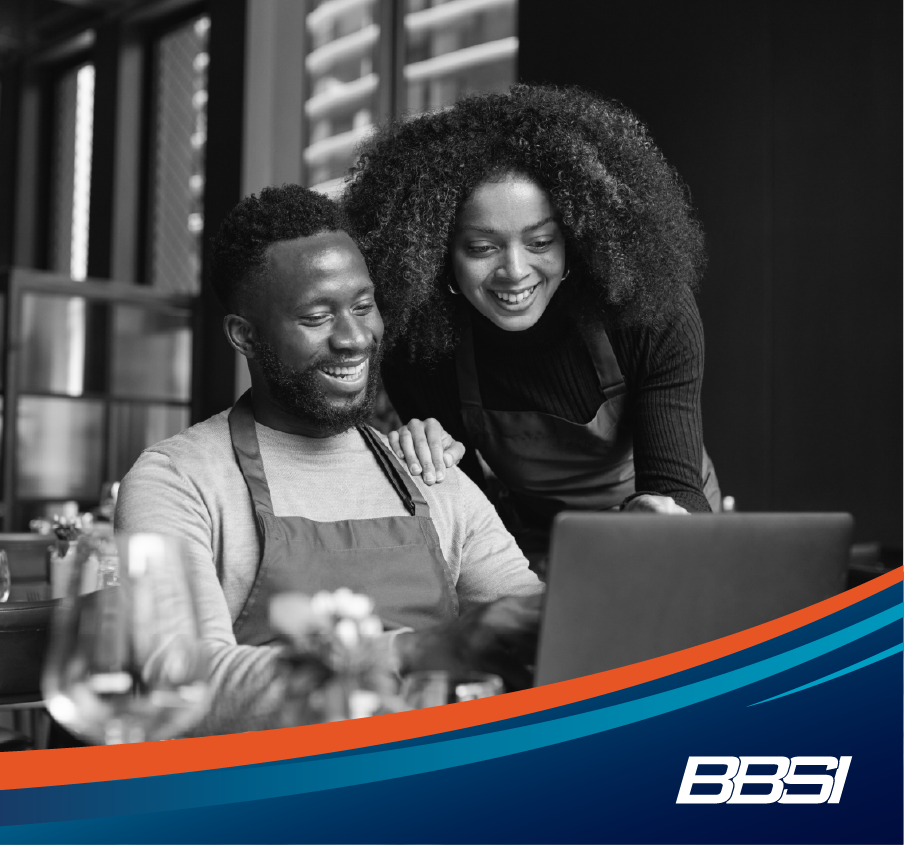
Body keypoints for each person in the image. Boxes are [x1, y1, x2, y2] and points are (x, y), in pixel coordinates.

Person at [115, 185, 542, 736]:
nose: (355, 338)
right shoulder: (176, 482)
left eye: (364, 307)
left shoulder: (430, 471)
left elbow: (535, 634)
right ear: (244, 336)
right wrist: (422, 654)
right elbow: (181, 681)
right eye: (317, 317)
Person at [342, 84, 722, 559]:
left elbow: (678, 490)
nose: (515, 272)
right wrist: (426, 461)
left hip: (665, 532)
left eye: (540, 242)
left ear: (576, 240)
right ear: (438, 253)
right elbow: (471, 514)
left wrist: (655, 520)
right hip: (540, 542)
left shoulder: (646, 311)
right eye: (482, 248)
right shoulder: (421, 343)